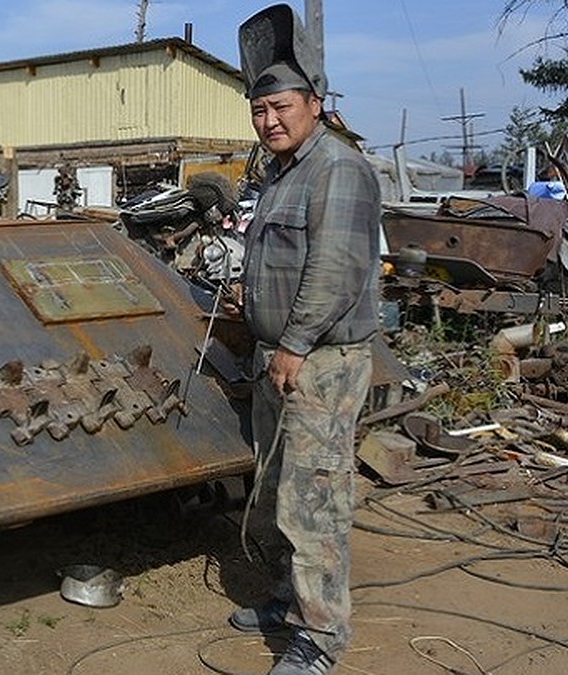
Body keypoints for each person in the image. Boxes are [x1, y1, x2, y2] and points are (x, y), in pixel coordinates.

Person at [231, 5, 381, 675]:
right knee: (277, 491)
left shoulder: (337, 170)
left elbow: (334, 273)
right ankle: (289, 599)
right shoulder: (281, 174)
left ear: (315, 104)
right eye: (260, 110)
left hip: (318, 360)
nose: (269, 121)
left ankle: (320, 640)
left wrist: (290, 343)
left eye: (281, 107)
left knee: (314, 500)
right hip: (282, 357)